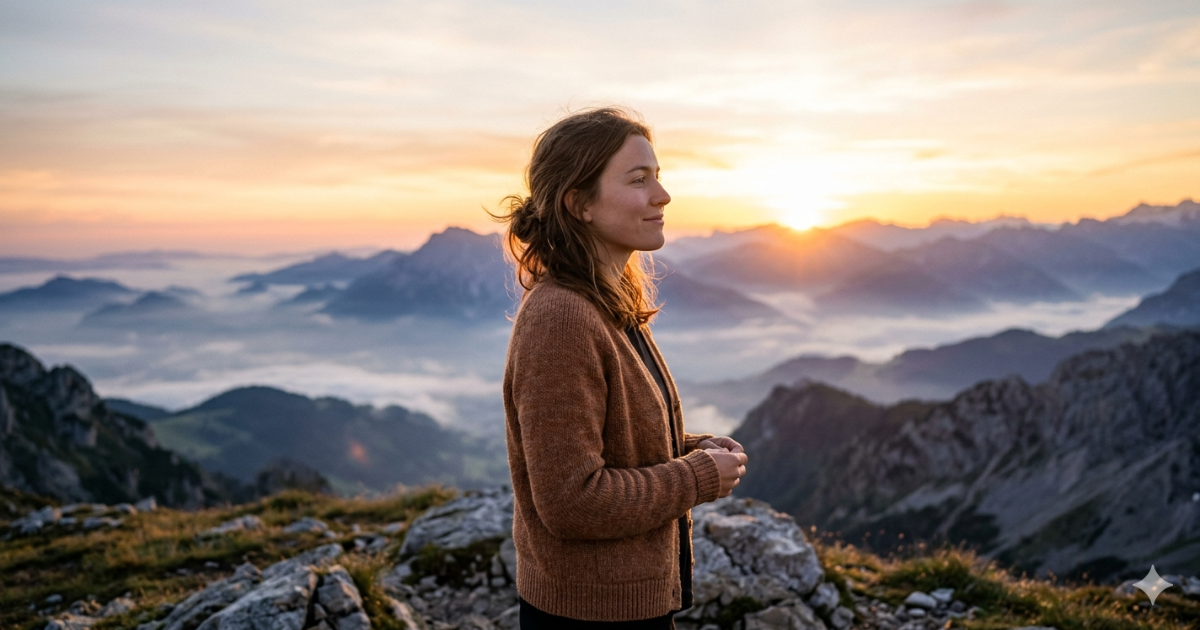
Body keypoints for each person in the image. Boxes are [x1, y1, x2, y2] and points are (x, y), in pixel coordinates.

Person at [494, 107, 750, 629]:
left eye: (658, 176)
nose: (663, 195)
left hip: (622, 607)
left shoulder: (607, 301)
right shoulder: (561, 318)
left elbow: (610, 439)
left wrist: (689, 447)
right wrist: (696, 476)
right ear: (580, 204)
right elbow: (571, 502)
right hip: (588, 617)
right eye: (638, 180)